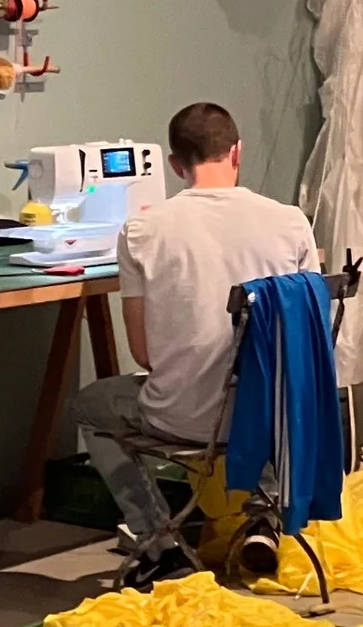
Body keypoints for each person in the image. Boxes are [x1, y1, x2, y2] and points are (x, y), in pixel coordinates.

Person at [73, 102, 321, 582]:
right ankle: (263, 517)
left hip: (183, 420)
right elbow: (304, 342)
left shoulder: (142, 230)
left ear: (175, 164)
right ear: (237, 153)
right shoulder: (290, 222)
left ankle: (158, 543)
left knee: (90, 406)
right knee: (269, 381)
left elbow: (143, 353)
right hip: (275, 421)